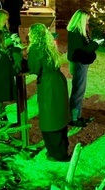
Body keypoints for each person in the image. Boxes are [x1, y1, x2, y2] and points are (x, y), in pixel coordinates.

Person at [28, 22, 71, 163]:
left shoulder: (35, 48)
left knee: (50, 118)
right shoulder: (50, 45)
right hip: (58, 80)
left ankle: (56, 153)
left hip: (48, 84)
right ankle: (63, 148)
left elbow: (34, 68)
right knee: (59, 115)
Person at [66, 9, 105, 127]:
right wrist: (95, 44)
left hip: (81, 62)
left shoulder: (79, 31)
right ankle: (74, 117)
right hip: (79, 63)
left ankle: (76, 115)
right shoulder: (75, 32)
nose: (88, 22)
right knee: (78, 90)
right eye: (87, 20)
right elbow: (82, 50)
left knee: (79, 90)